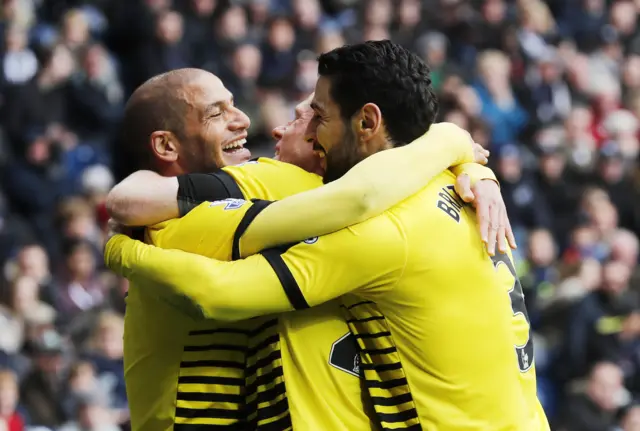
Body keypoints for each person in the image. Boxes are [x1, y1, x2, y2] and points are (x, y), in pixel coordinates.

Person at [105, 41, 548, 430]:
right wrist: (458, 150)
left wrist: (120, 252)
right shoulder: (442, 185)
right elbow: (364, 188)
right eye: (217, 112)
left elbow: (357, 196)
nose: (266, 126)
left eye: (315, 117)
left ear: (366, 122)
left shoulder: (366, 217)